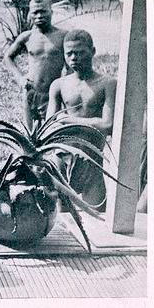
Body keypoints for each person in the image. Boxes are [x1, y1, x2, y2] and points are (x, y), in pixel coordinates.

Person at [46, 29, 117, 210]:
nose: (74, 58)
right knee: (62, 218)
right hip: (63, 156)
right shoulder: (59, 85)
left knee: (98, 216)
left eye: (80, 52)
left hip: (92, 159)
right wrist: (92, 122)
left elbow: (107, 124)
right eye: (69, 53)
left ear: (92, 51)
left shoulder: (107, 84)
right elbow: (49, 124)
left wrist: (67, 120)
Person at [4, 0, 68, 130]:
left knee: (52, 132)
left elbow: (71, 67)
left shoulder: (63, 36)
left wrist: (65, 87)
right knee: (32, 134)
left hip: (53, 94)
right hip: (30, 92)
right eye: (35, 12)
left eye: (43, 11)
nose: (39, 16)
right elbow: (8, 57)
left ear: (51, 11)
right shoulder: (27, 37)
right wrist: (20, 78)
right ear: (30, 14)